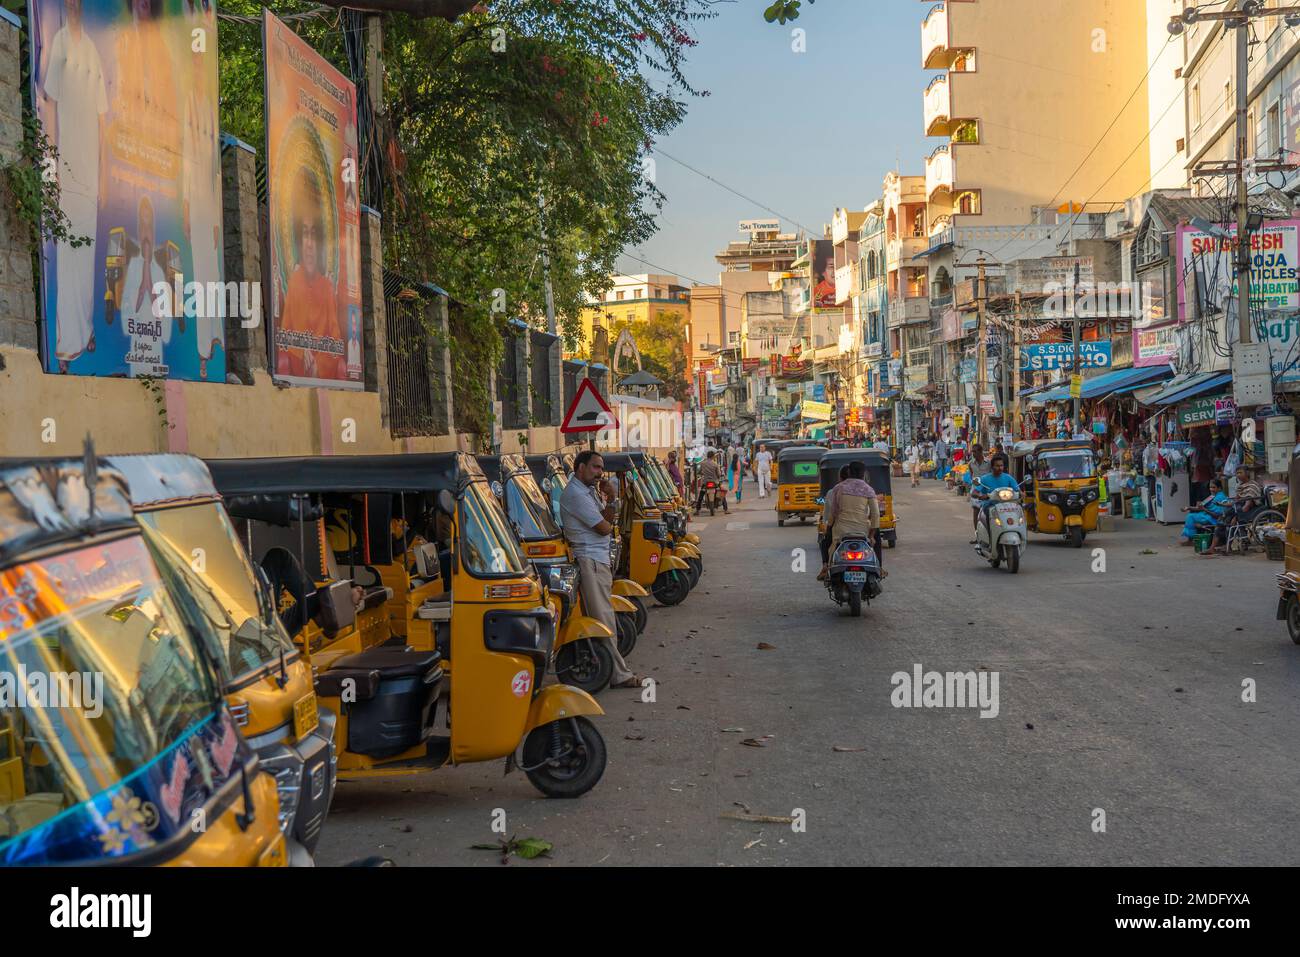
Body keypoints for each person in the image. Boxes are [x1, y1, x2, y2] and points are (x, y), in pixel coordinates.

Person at [43, 0, 108, 374]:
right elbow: (50, 107)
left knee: (87, 254)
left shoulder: (92, 51)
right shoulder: (61, 43)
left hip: (89, 171)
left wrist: (101, 177)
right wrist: (51, 166)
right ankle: (67, 346)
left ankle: (86, 331)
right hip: (66, 167)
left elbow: (102, 119)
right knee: (67, 256)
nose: (72, 4)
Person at [559, 450, 642, 689]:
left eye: (600, 468)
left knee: (605, 618)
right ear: (580, 468)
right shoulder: (575, 494)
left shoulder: (588, 491)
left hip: (598, 559)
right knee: (603, 620)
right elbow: (604, 528)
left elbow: (605, 519)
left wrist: (611, 498)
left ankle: (613, 671)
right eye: (595, 467)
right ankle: (619, 675)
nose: (599, 472)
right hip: (590, 560)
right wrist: (612, 501)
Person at [820, 460, 885, 581]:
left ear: (849, 472)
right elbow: (875, 514)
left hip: (841, 531)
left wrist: (829, 527)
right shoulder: (869, 489)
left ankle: (827, 567)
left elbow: (834, 512)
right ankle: (879, 568)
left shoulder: (838, 488)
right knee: (878, 539)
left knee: (825, 541)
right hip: (863, 530)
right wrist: (871, 535)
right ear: (864, 473)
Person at [1204, 468, 1266, 555]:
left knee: (1231, 520)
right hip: (1237, 507)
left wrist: (1236, 516)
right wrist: (1223, 505)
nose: (1238, 475)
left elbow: (1247, 505)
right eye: (1237, 473)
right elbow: (1235, 500)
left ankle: (1228, 546)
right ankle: (1212, 548)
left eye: (1240, 472)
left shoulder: (1252, 485)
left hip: (1248, 510)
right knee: (1222, 519)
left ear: (1247, 473)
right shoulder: (1240, 486)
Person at [971, 452, 1019, 544]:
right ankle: (989, 537)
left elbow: (1017, 490)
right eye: (997, 466)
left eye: (1001, 466)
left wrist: (1021, 494)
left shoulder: (1009, 478)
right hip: (990, 505)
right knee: (988, 514)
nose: (1000, 468)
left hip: (1008, 505)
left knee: (1019, 512)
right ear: (992, 467)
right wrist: (980, 496)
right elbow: (974, 492)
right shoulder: (984, 479)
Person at [1179, 479, 1229, 544]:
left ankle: (1191, 540)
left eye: (1213, 487)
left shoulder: (1220, 497)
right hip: (1207, 515)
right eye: (1210, 487)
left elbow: (1217, 515)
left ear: (1219, 488)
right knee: (1190, 516)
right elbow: (1200, 507)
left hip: (1213, 519)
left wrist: (1204, 509)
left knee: (1190, 517)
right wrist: (1188, 508)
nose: (1211, 489)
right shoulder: (1212, 496)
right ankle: (1192, 539)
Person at [967, 444, 991, 534]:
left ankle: (989, 534)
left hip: (986, 489)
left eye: (975, 451)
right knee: (976, 512)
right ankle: (977, 535)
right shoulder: (971, 464)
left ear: (981, 452)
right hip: (976, 489)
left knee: (988, 511)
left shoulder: (989, 463)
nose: (973, 453)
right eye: (972, 451)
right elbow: (971, 475)